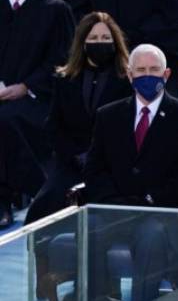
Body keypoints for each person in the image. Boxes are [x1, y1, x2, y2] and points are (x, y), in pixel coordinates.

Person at [83, 43, 178, 301]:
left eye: (154, 70)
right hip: (117, 209)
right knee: (90, 227)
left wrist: (150, 200)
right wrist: (116, 202)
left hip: (163, 213)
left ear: (166, 74)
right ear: (129, 75)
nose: (147, 76)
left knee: (152, 234)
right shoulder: (108, 115)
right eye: (140, 70)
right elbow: (95, 170)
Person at [25, 12, 132, 226]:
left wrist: (96, 158)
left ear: (115, 41)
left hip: (113, 162)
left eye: (105, 38)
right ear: (82, 43)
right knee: (44, 207)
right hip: (72, 161)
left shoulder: (127, 80)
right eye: (92, 39)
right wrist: (75, 155)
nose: (99, 43)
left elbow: (128, 127)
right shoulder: (65, 79)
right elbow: (54, 126)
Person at [0, 0, 75, 229]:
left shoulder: (56, 10)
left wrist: (26, 86)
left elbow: (63, 61)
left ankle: (16, 196)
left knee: (8, 121)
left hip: (37, 98)